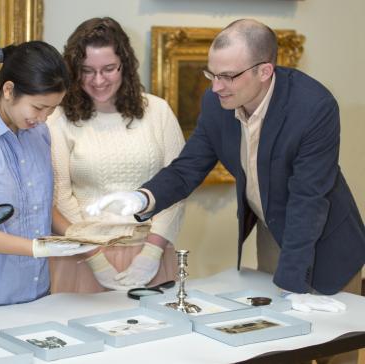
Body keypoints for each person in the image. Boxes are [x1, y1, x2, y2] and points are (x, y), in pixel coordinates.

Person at [88, 20, 365, 309]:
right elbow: (188, 167)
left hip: (328, 240)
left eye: (228, 76)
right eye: (212, 74)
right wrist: (141, 197)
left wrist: (294, 285)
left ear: (264, 71)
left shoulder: (313, 107)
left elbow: (308, 199)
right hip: (273, 233)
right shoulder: (216, 102)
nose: (216, 86)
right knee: (281, 339)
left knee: (333, 340)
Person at [0, 41, 94, 309]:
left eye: (52, 109)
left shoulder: (39, 133)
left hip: (37, 292)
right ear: (9, 90)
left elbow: (42, 204)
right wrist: (37, 248)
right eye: (38, 107)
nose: (44, 118)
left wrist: (79, 237)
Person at [48, 17, 185, 293]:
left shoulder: (158, 112)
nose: (98, 80)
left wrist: (151, 254)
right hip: (82, 256)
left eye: (109, 69)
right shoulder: (58, 118)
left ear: (125, 64)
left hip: (152, 253)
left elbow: (178, 185)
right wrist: (95, 257)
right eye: (87, 71)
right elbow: (59, 195)